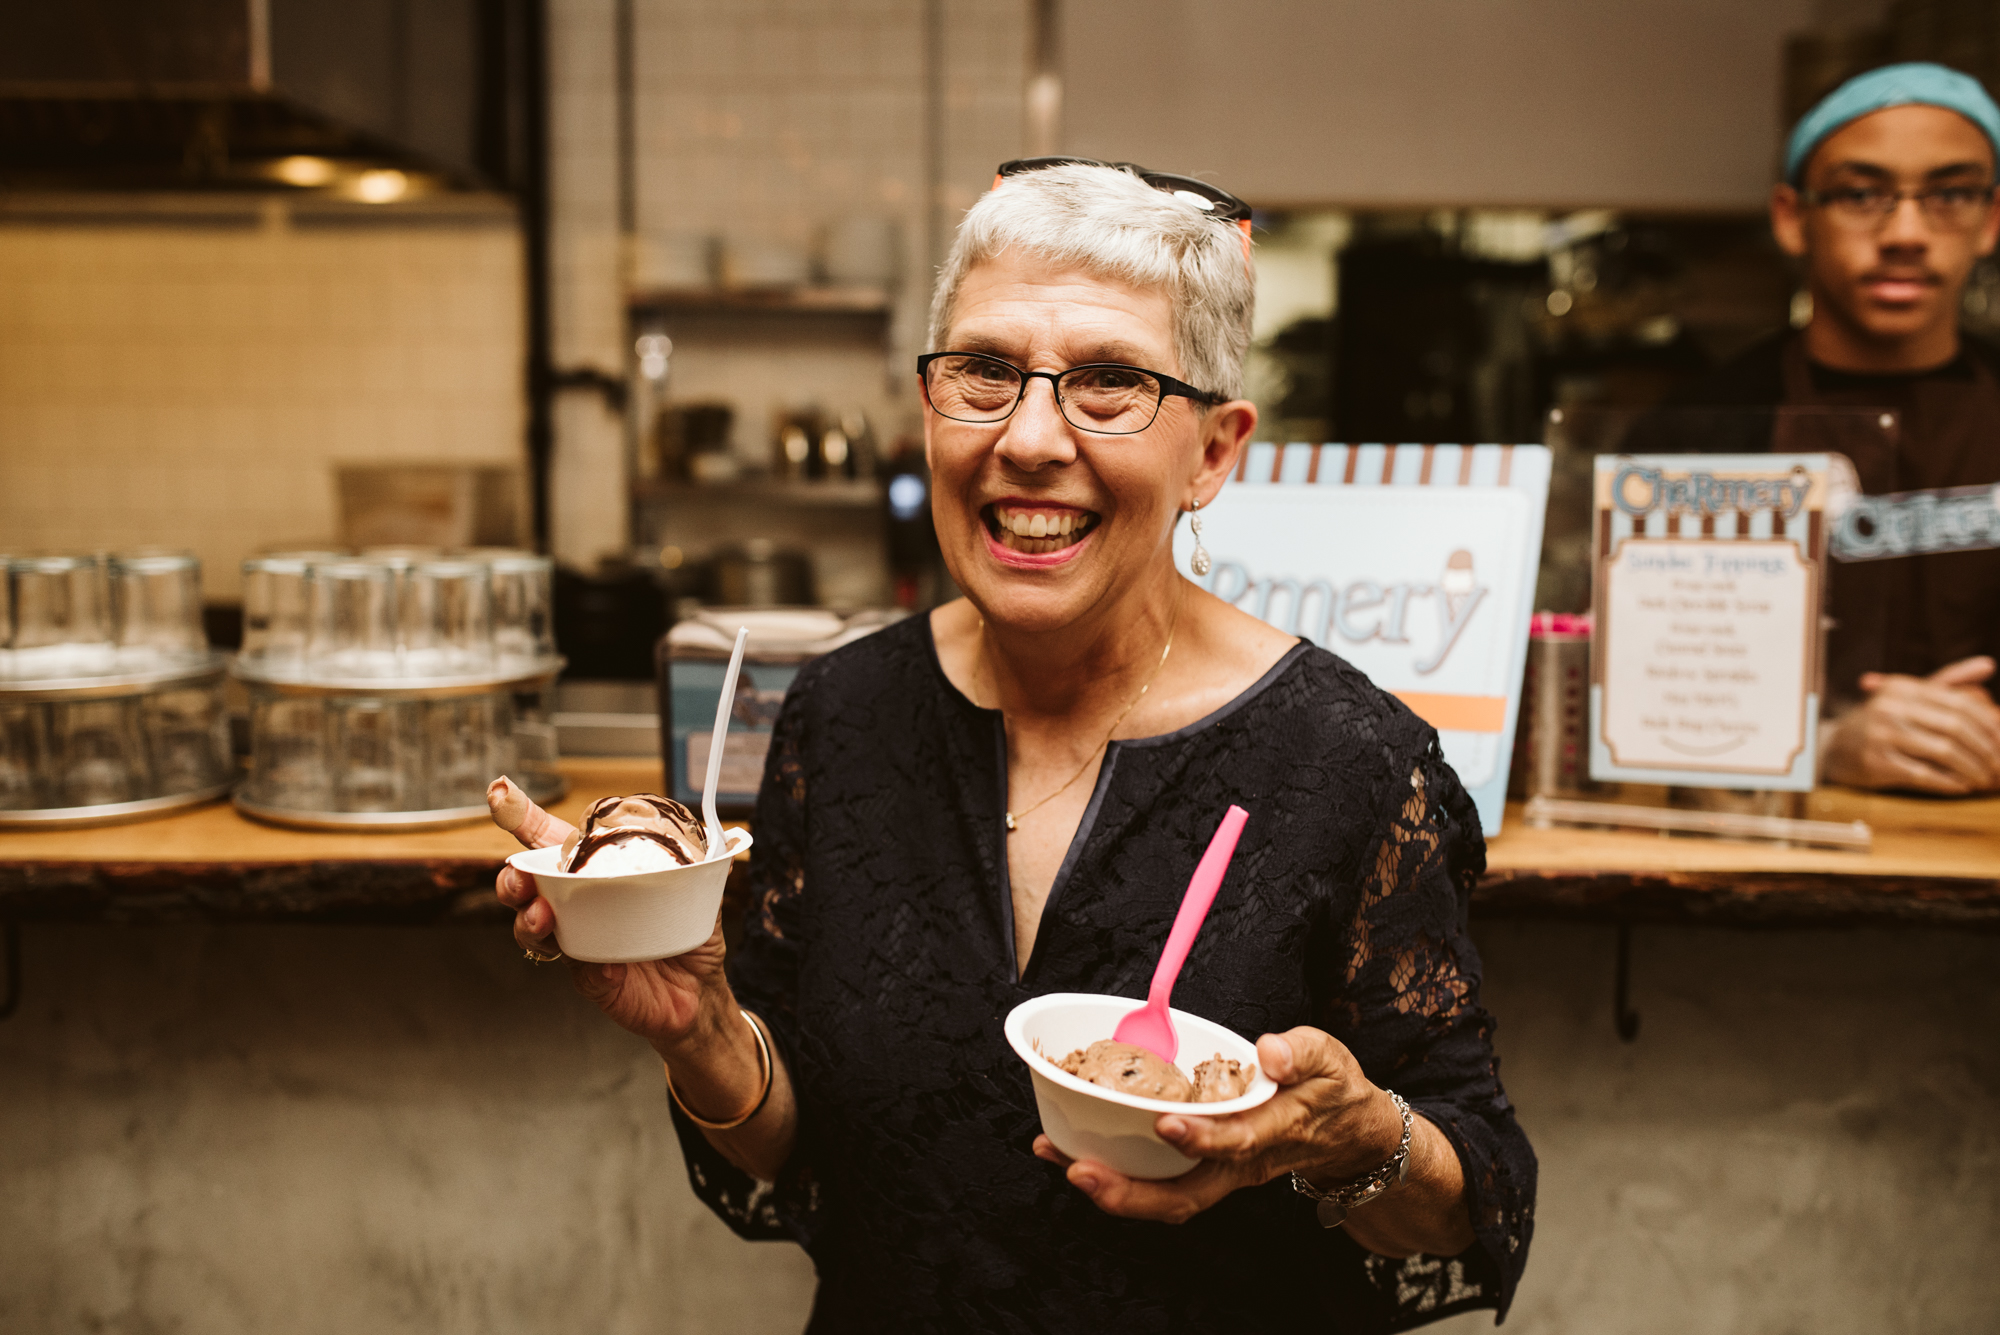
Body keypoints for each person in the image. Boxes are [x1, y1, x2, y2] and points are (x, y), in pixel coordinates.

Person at [492, 161, 1534, 1331]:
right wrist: (703, 1031)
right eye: (984, 372)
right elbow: (802, 1154)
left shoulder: (1345, 760)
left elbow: (1472, 1199)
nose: (1028, 439)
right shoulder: (843, 717)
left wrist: (1354, 1140)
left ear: (1212, 453)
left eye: (1108, 384)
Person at [1667, 62, 2000, 794]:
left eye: (1949, 192)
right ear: (1792, 217)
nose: (1908, 232)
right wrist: (1822, 743)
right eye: (1861, 194)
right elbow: (1631, 680)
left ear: (1991, 217)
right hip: (1772, 845)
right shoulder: (1700, 430)